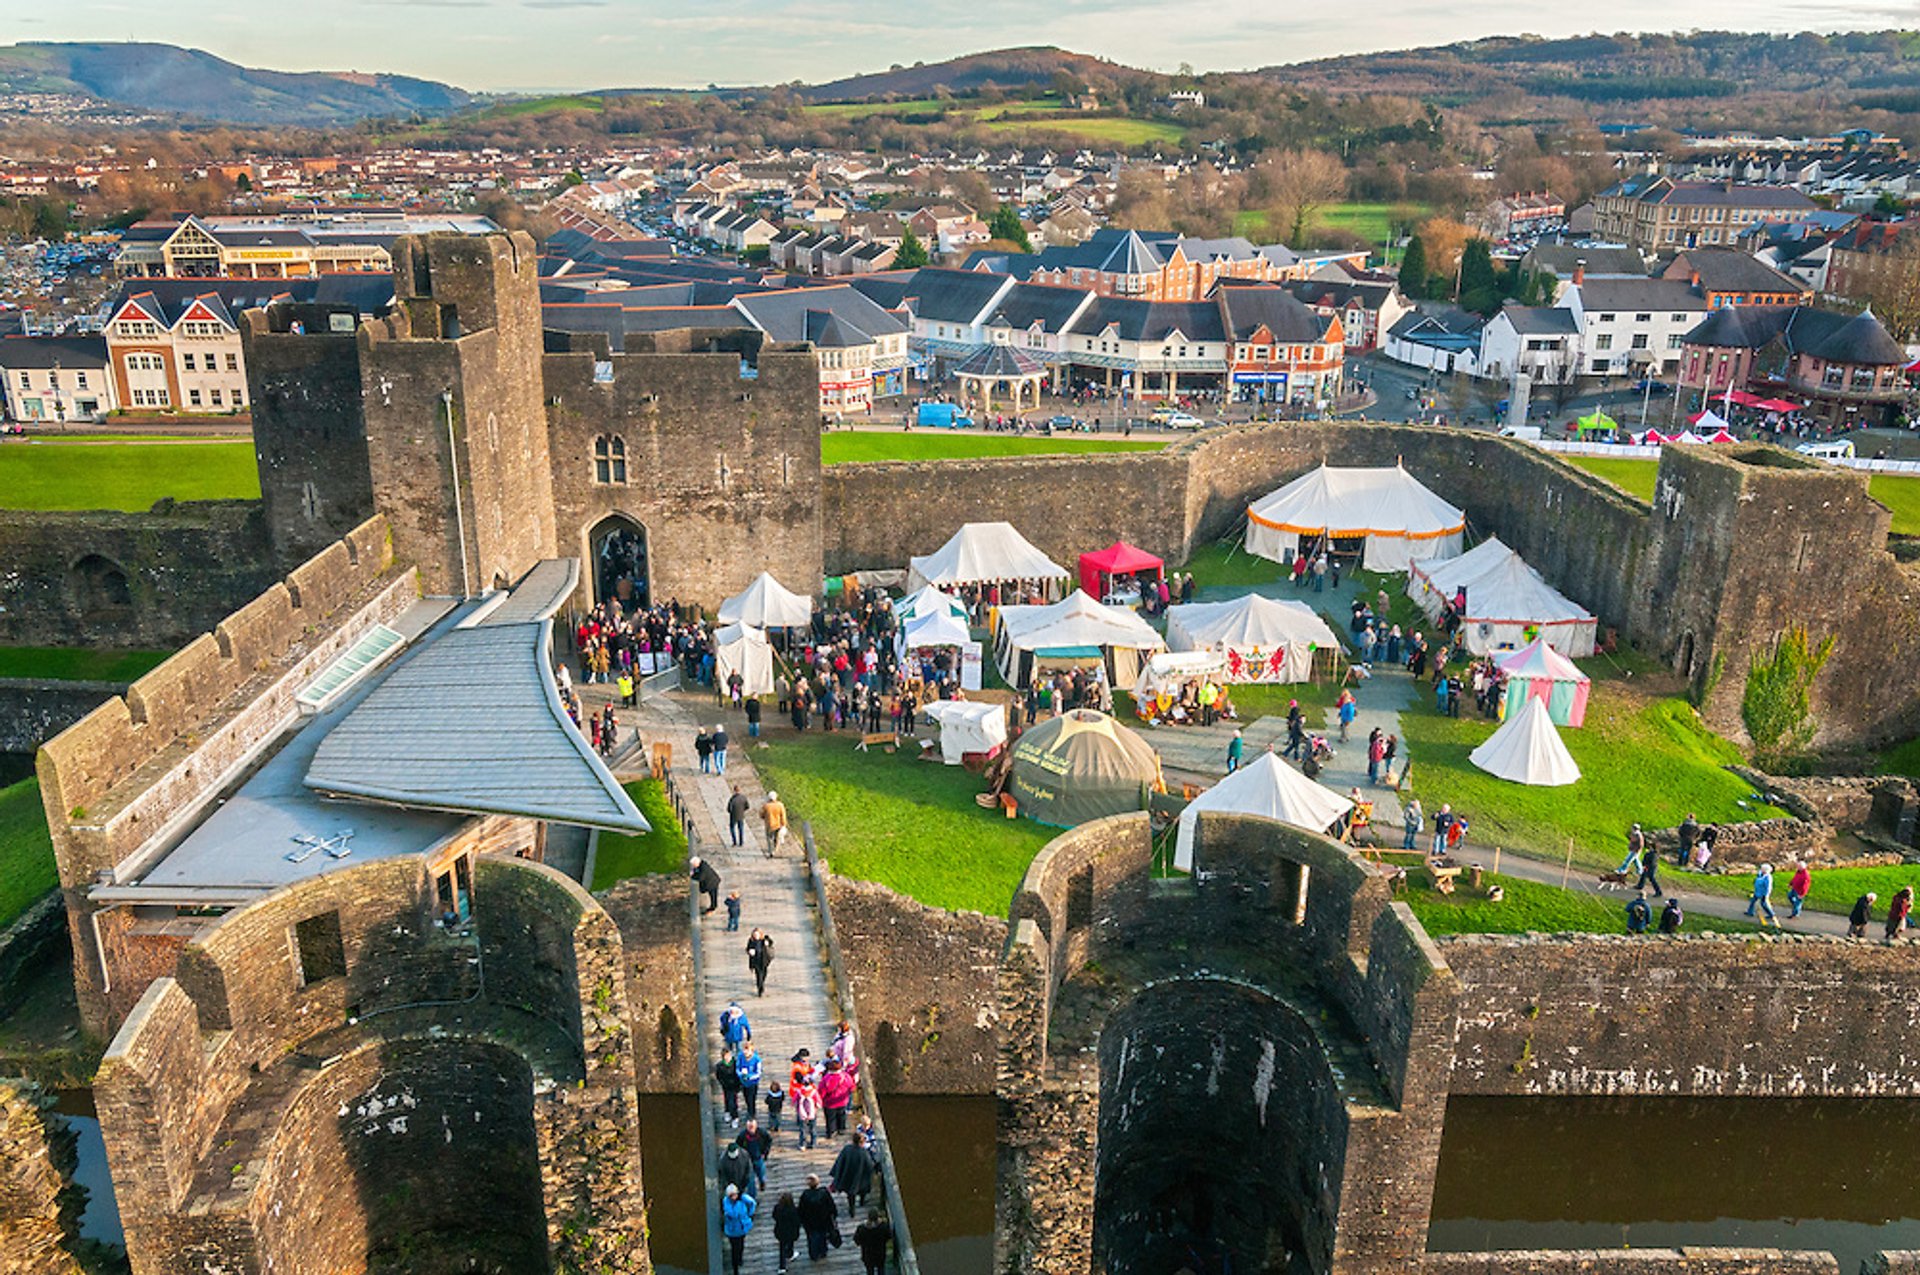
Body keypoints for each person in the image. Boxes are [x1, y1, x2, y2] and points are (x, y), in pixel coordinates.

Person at [830, 1131, 876, 1217]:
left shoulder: (847, 1149)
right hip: (860, 1178)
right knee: (862, 1191)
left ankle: (852, 1209)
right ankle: (862, 1202)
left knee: (850, 1194)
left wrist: (836, 1173)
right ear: (861, 1142)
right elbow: (870, 1165)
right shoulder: (863, 1152)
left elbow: (840, 1161)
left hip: (848, 1176)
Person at [798, 1174, 839, 1261]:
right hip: (824, 1220)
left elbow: (801, 1210)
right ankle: (823, 1251)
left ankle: (814, 1254)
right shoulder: (824, 1193)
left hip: (810, 1222)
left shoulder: (805, 1195)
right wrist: (834, 1215)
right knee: (823, 1236)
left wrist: (801, 1220)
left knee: (812, 1238)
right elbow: (831, 1206)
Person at [721, 1183, 756, 1275]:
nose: (734, 1197)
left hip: (742, 1228)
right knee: (734, 1249)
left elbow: (752, 1203)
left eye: (735, 1194)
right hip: (732, 1230)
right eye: (731, 1195)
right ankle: (735, 1268)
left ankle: (739, 1259)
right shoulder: (726, 1202)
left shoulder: (743, 1199)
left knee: (740, 1245)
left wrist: (750, 1214)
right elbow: (733, 1214)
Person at [819, 1058, 855, 1138]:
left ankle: (831, 1132)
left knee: (830, 1118)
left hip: (829, 1102)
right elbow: (852, 1087)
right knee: (841, 1115)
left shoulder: (826, 1078)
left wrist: (820, 1100)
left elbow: (821, 1091)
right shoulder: (846, 1076)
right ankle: (841, 1129)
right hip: (842, 1101)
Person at [854, 1209, 894, 1275]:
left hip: (867, 1254)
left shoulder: (861, 1229)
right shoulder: (883, 1227)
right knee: (881, 1269)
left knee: (869, 1271)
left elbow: (857, 1241)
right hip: (880, 1253)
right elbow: (888, 1236)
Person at [737, 1117, 772, 1191]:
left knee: (761, 1174)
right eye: (749, 1127)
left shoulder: (762, 1132)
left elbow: (769, 1140)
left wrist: (765, 1152)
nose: (751, 1129)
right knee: (750, 1181)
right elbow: (738, 1146)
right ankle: (753, 1197)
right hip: (748, 1161)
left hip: (759, 1158)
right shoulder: (742, 1136)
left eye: (752, 1126)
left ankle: (762, 1182)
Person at [773, 1191, 802, 1273]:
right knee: (790, 1242)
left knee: (782, 1247)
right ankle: (790, 1253)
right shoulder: (793, 1210)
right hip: (791, 1231)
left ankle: (782, 1266)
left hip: (780, 1230)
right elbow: (797, 1221)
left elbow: (774, 1216)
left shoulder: (777, 1208)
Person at [715, 1046, 742, 1124]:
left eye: (729, 1055)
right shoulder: (720, 1066)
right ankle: (727, 1112)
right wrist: (723, 1083)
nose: (728, 1058)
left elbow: (738, 1074)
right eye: (725, 1056)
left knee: (733, 1102)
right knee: (727, 1099)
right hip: (726, 1086)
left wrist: (739, 1085)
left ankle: (735, 1117)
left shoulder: (735, 1063)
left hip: (734, 1086)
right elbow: (718, 1076)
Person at [736, 1042, 763, 1121]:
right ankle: (749, 1110)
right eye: (744, 1050)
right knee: (746, 1098)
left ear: (751, 1051)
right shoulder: (740, 1056)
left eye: (747, 1051)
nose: (745, 1053)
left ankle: (752, 1113)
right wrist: (741, 1075)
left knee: (752, 1099)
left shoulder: (757, 1060)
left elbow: (758, 1073)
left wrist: (749, 1077)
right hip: (743, 1082)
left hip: (752, 1083)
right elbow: (737, 1068)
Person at [792, 1075, 820, 1149]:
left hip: (801, 1113)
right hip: (812, 1113)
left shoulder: (799, 1091)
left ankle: (802, 1144)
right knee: (813, 1128)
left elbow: (794, 1101)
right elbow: (819, 1102)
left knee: (802, 1129)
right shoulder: (814, 1092)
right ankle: (813, 1143)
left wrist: (795, 1106)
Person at [747, 927, 775, 997]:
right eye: (754, 935)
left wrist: (767, 943)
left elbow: (771, 942)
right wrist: (750, 951)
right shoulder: (751, 941)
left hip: (764, 960)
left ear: (760, 935)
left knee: (764, 974)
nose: (756, 936)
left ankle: (761, 984)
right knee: (758, 975)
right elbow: (748, 948)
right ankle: (760, 989)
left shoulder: (764, 940)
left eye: (757, 935)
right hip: (756, 961)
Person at [763, 791, 789, 859]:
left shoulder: (766, 806)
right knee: (777, 838)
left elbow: (761, 814)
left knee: (769, 838)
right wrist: (784, 824)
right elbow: (783, 815)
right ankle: (775, 850)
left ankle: (770, 851)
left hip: (769, 825)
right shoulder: (780, 805)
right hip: (778, 824)